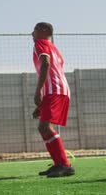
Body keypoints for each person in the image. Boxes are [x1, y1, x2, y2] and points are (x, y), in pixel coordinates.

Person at [31, 22, 74, 178]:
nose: (32, 34)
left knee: (44, 127)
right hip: (59, 90)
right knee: (43, 127)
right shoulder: (55, 49)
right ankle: (58, 164)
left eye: (34, 30)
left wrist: (38, 92)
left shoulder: (40, 43)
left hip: (54, 90)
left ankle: (64, 165)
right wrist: (42, 105)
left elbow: (46, 64)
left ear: (44, 31)